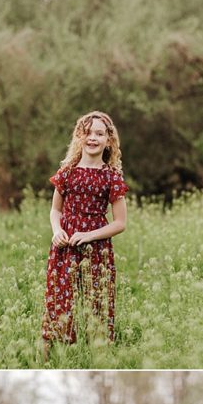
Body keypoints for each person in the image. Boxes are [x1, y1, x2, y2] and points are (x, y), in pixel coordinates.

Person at [42, 111, 128, 356]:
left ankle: (97, 355)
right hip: (65, 246)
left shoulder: (111, 177)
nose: (93, 138)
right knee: (58, 301)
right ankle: (52, 358)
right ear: (79, 137)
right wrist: (57, 230)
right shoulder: (67, 172)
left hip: (96, 248)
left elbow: (120, 222)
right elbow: (55, 210)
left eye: (99, 133)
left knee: (98, 304)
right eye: (88, 133)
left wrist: (90, 235)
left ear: (108, 140)